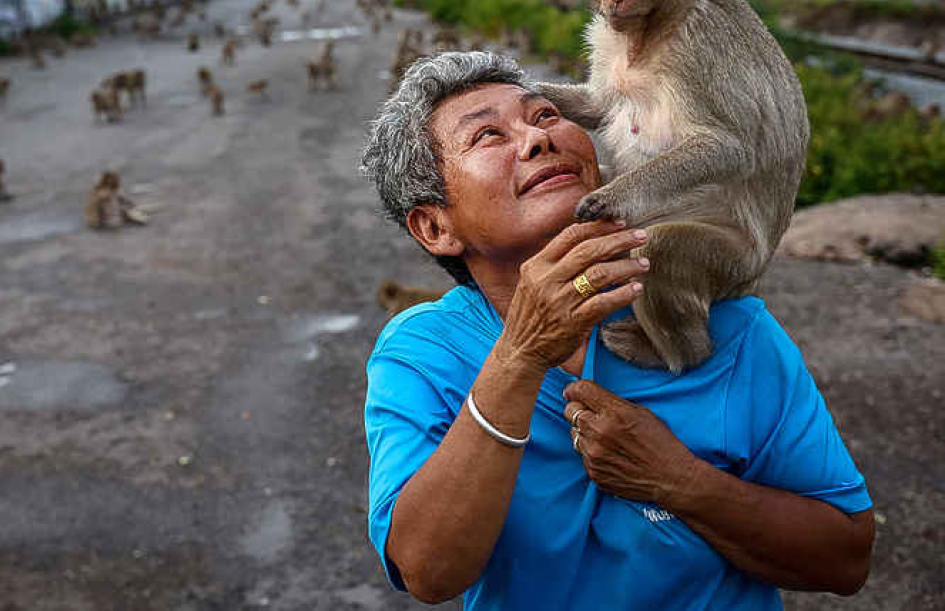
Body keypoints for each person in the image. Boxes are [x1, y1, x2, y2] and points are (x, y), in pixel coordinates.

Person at [358, 50, 874, 609]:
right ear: (435, 227)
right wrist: (522, 354)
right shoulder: (422, 352)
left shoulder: (719, 320)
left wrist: (676, 481)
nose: (538, 139)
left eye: (546, 115)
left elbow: (845, 557)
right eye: (486, 136)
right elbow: (427, 572)